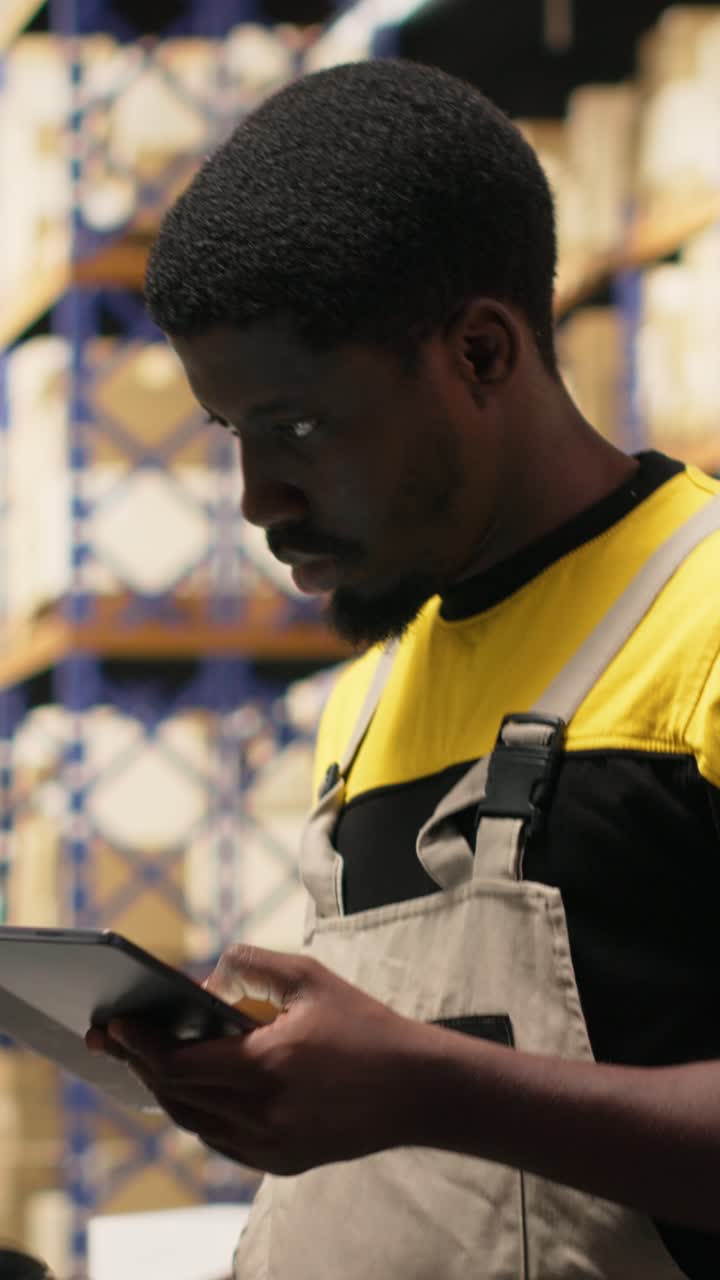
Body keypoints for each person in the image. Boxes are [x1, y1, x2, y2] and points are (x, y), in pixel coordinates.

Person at [88, 59, 720, 1278]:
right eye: (232, 433)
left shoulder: (701, 621)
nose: (257, 497)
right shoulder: (371, 697)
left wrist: (434, 1089)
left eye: (297, 425)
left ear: (480, 352)